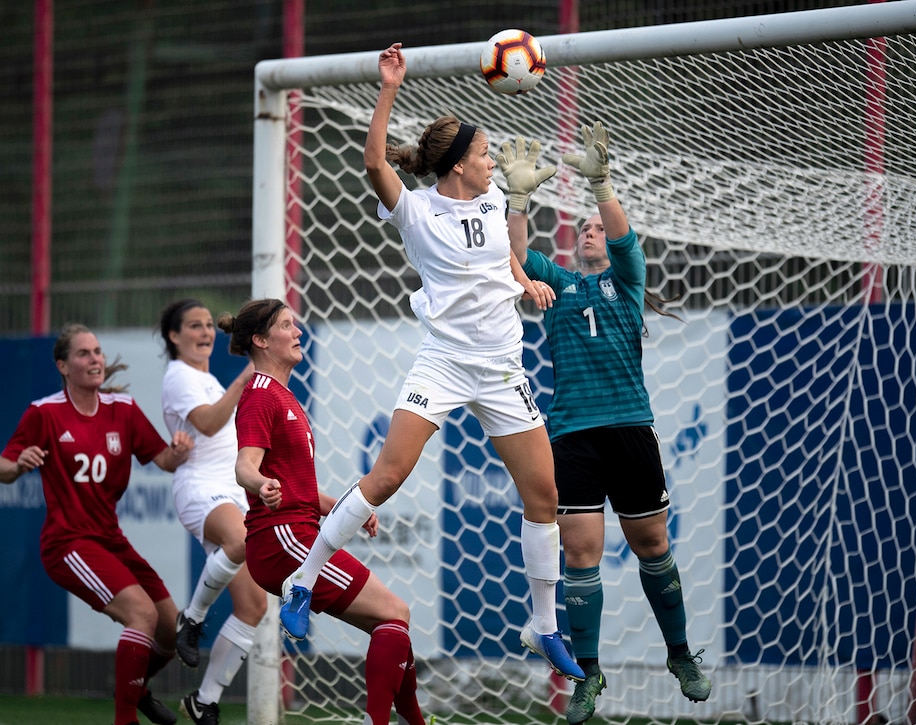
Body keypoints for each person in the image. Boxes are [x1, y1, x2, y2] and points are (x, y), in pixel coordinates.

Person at [277, 41, 585, 684]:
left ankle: (544, 624)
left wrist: (525, 281)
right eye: (481, 154)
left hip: (502, 366)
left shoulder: (495, 199)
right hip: (444, 362)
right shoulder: (415, 211)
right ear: (455, 166)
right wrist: (390, 85)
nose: (491, 160)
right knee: (387, 476)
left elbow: (506, 255)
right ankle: (302, 584)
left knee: (544, 496)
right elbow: (372, 160)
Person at [501, 122, 712, 723]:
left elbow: (623, 240)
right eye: (586, 229)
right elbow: (514, 257)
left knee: (652, 545)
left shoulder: (627, 281)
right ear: (573, 246)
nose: (593, 232)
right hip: (572, 436)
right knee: (582, 554)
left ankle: (679, 656)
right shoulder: (557, 283)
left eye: (599, 226)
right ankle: (588, 676)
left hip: (630, 431)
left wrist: (601, 187)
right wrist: (518, 202)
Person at [220, 298, 427, 725]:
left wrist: (346, 507)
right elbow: (244, 467)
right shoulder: (260, 395)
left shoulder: (283, 396)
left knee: (390, 628)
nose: (297, 332)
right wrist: (261, 484)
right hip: (283, 540)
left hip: (294, 534)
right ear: (261, 340)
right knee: (395, 613)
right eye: (285, 326)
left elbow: (298, 488)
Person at [0, 323, 193, 725]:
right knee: (142, 615)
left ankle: (132, 690)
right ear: (63, 366)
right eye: (83, 354)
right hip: (68, 543)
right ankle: (124, 718)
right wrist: (18, 465)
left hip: (109, 538)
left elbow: (164, 461)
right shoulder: (43, 413)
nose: (95, 359)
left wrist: (180, 451)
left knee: (170, 629)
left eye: (98, 351)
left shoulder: (124, 410)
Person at [158, 298, 269, 725]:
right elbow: (206, 424)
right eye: (193, 326)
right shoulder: (179, 375)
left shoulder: (206, 379)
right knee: (240, 539)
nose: (205, 333)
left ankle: (203, 701)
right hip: (200, 488)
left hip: (230, 491)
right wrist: (247, 377)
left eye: (208, 325)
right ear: (174, 336)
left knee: (254, 606)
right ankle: (193, 616)